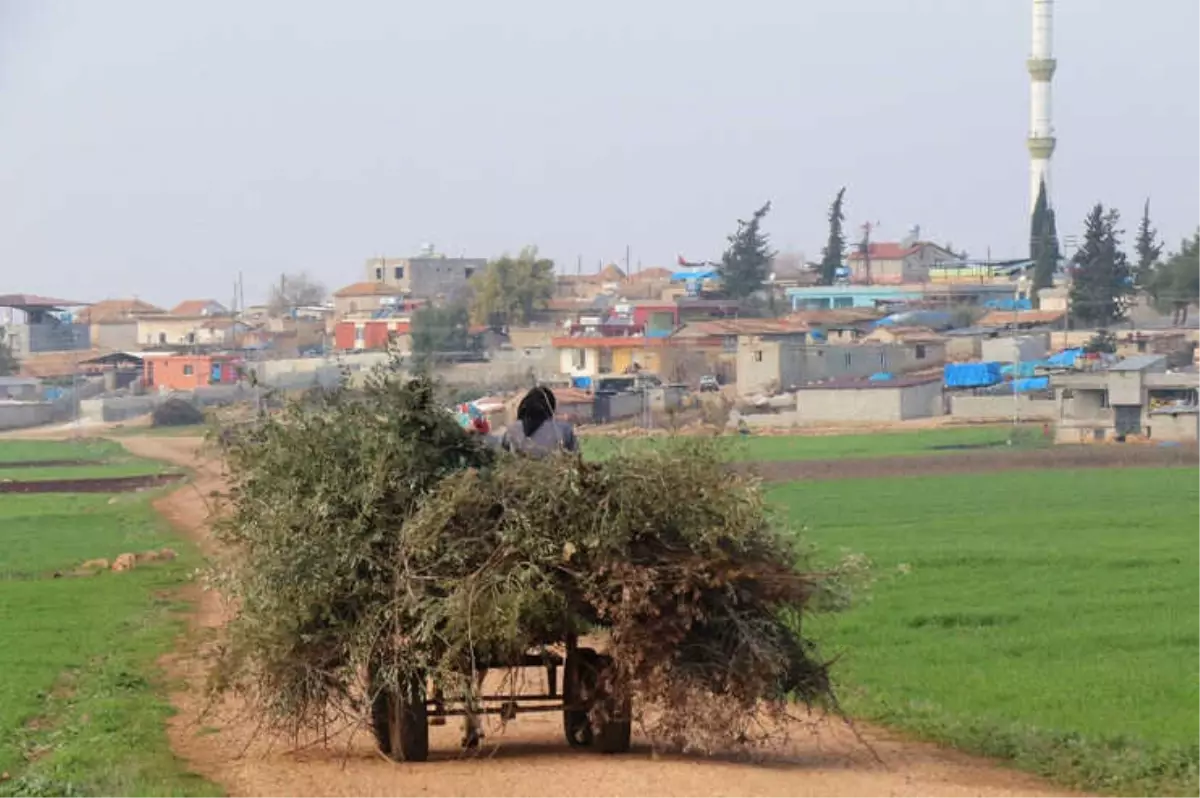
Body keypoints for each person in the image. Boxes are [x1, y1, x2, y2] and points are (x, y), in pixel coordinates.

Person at [501, 386, 578, 457]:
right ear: (551, 406)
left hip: (519, 470)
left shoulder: (511, 430)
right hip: (555, 470)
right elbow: (574, 457)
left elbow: (504, 456)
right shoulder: (564, 429)